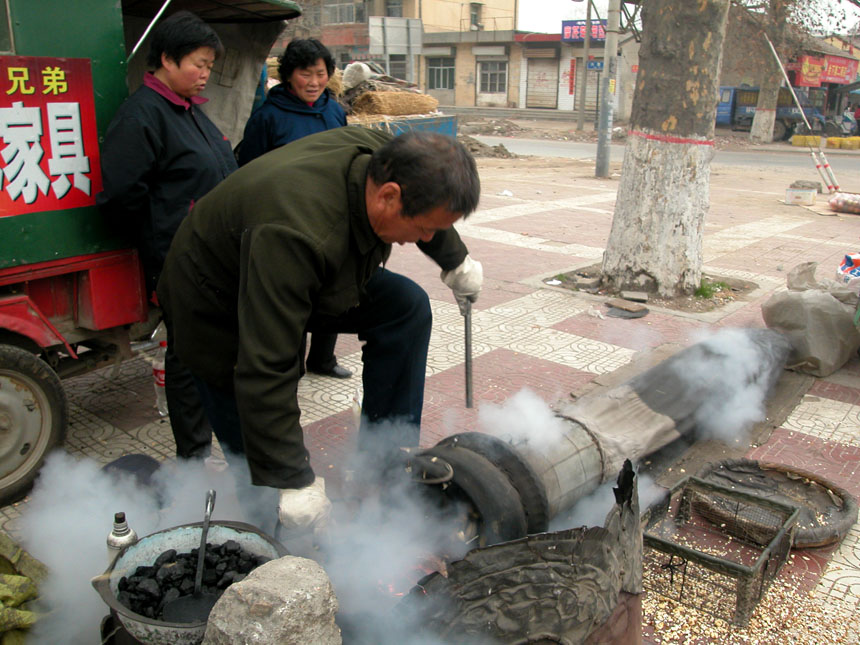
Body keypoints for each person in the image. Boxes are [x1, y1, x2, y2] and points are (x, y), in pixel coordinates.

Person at [157, 126, 483, 535]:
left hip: (303, 275)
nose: (425, 239)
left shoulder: (384, 156)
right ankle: (272, 542)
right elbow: (266, 365)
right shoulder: (295, 233)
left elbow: (428, 204)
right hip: (215, 303)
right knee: (260, 453)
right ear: (388, 197)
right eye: (424, 231)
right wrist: (291, 479)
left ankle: (383, 460)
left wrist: (455, 260)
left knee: (404, 308)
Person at [97, 11, 237, 460]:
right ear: (167, 59)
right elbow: (122, 194)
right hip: (182, 259)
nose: (204, 75)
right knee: (187, 355)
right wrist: (164, 239)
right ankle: (192, 454)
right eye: (198, 64)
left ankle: (212, 436)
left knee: (207, 348)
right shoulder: (143, 115)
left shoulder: (187, 110)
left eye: (209, 67)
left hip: (214, 253)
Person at [238, 38, 352, 379]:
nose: (314, 82)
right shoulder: (269, 117)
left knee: (333, 286)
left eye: (321, 73)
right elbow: (249, 172)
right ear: (289, 75)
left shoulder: (334, 111)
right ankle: (290, 366)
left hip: (331, 215)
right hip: (287, 221)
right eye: (306, 74)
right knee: (293, 294)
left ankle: (323, 358)